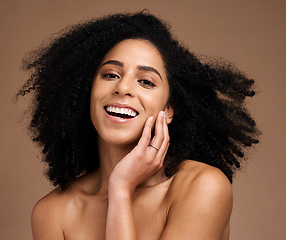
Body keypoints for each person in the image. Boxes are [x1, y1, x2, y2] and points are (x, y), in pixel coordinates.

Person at [18, 10, 259, 240]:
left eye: (145, 81)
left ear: (168, 109)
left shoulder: (203, 187)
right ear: (86, 91)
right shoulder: (53, 212)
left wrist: (120, 188)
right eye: (111, 74)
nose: (122, 88)